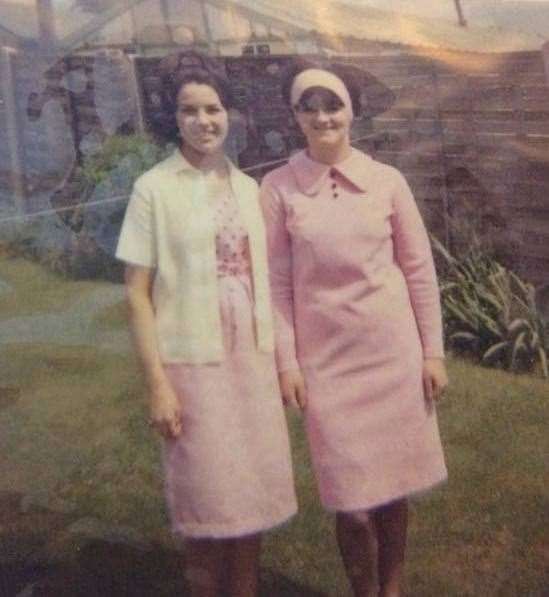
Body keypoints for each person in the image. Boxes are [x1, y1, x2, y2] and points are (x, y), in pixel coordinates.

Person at [260, 59, 448, 597]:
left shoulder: (388, 182)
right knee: (352, 504)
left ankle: (392, 588)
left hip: (392, 359)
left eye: (333, 104)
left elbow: (418, 269)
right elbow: (274, 285)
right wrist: (287, 362)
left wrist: (432, 352)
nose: (322, 117)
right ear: (295, 116)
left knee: (394, 492)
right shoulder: (277, 189)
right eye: (309, 106)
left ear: (352, 111)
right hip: (328, 369)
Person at [116, 51, 297, 597]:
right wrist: (158, 385)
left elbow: (272, 280)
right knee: (205, 507)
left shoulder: (248, 189)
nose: (203, 121)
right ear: (175, 117)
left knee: (249, 503)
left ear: (230, 114)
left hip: (252, 363)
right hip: (193, 366)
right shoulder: (154, 188)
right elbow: (136, 293)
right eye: (189, 110)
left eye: (213, 109)